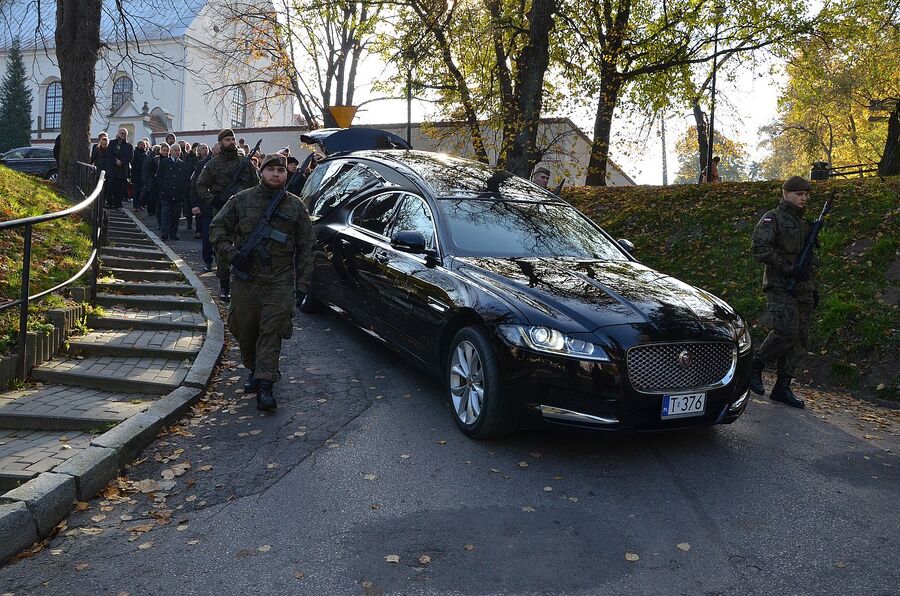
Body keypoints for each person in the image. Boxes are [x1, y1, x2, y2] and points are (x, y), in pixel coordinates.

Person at [209, 153, 315, 411]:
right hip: (246, 280)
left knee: (272, 330)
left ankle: (266, 384)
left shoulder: (295, 206)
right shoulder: (241, 200)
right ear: (262, 172)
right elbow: (216, 228)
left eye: (281, 170)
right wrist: (232, 255)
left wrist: (303, 285)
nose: (276, 174)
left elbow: (307, 247)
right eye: (271, 170)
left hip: (279, 280)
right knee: (244, 329)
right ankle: (254, 368)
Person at [748, 175, 819, 409]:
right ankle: (755, 366)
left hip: (803, 287)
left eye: (806, 195)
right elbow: (760, 249)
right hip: (780, 284)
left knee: (800, 338)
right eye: (800, 194)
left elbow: (809, 260)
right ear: (786, 194)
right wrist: (788, 268)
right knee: (786, 330)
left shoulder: (805, 223)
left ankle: (782, 387)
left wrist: (812, 286)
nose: (804, 198)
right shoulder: (772, 218)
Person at [196, 128, 260, 302]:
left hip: (245, 214)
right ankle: (225, 287)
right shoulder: (213, 164)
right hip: (222, 214)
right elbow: (200, 185)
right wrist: (212, 200)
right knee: (223, 250)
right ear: (220, 143)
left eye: (233, 139)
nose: (231, 142)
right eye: (227, 140)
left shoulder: (245, 163)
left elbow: (258, 186)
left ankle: (245, 286)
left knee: (248, 248)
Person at [192, 142, 218, 270]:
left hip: (222, 206)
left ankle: (221, 261)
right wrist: (195, 205)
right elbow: (195, 186)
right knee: (207, 236)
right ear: (213, 151)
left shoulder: (229, 165)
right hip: (206, 205)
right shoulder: (203, 165)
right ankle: (207, 261)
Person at [156, 143, 183, 240]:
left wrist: (182, 191)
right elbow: (159, 177)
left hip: (178, 194)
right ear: (171, 151)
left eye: (178, 150)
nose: (177, 152)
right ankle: (164, 233)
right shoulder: (164, 163)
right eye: (175, 150)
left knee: (175, 215)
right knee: (165, 214)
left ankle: (173, 233)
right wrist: (163, 188)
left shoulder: (182, 164)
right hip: (166, 193)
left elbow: (185, 179)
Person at [106, 128, 134, 208]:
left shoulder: (129, 146)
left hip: (122, 171)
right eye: (121, 133)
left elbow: (130, 157)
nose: (123, 135)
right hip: (112, 170)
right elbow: (109, 154)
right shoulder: (111, 143)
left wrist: (121, 161)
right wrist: (115, 161)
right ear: (118, 133)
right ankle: (109, 203)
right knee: (110, 187)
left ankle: (118, 204)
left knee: (120, 189)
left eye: (124, 134)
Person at [141, 144, 160, 217]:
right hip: (151, 179)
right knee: (150, 196)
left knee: (152, 196)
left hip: (152, 179)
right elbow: (146, 169)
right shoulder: (150, 158)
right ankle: (151, 210)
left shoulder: (151, 157)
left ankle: (152, 210)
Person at [131, 139, 148, 211]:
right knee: (136, 191)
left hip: (143, 175)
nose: (142, 146)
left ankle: (140, 205)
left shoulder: (145, 154)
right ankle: (136, 206)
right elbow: (133, 163)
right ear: (138, 145)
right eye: (141, 145)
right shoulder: (134, 153)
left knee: (142, 191)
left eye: (144, 145)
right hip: (136, 175)